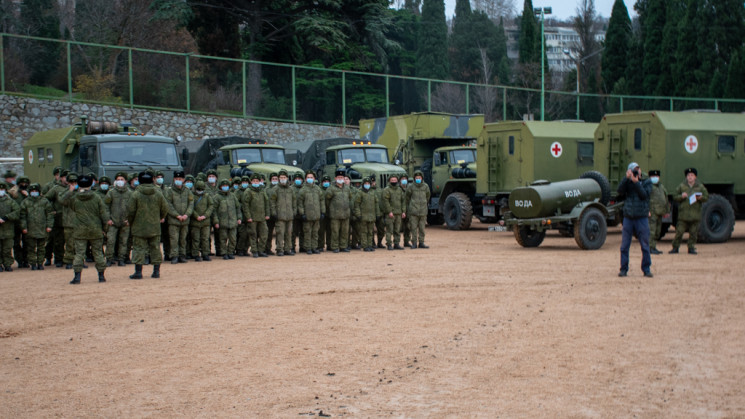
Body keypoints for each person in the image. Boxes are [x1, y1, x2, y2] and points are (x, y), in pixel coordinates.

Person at [66, 175, 110, 284]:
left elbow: (66, 202)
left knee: (79, 253)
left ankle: (77, 277)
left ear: (78, 184)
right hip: (95, 229)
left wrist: (70, 191)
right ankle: (101, 276)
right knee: (98, 253)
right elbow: (104, 215)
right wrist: (105, 229)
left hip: (80, 229)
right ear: (91, 184)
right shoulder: (97, 197)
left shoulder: (75, 197)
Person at [127, 171, 169, 279]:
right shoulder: (158, 193)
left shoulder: (135, 194)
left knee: (138, 249)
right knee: (155, 248)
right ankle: (156, 272)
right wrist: (160, 217)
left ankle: (138, 272)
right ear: (152, 180)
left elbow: (130, 211)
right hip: (154, 226)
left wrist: (131, 222)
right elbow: (165, 208)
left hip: (139, 226)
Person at [617, 162, 653, 278]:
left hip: (641, 217)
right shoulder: (627, 183)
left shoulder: (646, 182)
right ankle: (623, 269)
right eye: (634, 170)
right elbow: (620, 191)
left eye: (638, 169)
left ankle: (646, 269)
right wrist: (626, 179)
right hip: (628, 217)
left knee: (645, 245)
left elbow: (644, 195)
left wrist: (637, 183)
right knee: (624, 246)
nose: (636, 172)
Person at [670, 167, 709, 255]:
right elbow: (675, 196)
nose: (690, 177)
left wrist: (700, 198)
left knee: (693, 233)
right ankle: (675, 247)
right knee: (679, 232)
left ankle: (691, 248)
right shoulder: (681, 186)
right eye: (688, 175)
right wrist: (681, 196)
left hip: (695, 215)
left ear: (695, 177)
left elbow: (706, 197)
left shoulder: (700, 186)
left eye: (692, 175)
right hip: (683, 215)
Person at [20, 183, 54, 270]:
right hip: (30, 228)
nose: (34, 193)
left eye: (36, 191)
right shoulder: (25, 202)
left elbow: (49, 214)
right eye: (32, 191)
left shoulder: (44, 201)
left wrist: (49, 226)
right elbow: (22, 216)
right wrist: (24, 227)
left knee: (41, 248)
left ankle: (40, 263)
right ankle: (33, 264)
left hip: (42, 228)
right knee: (31, 248)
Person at [164, 170, 194, 264]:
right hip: (173, 220)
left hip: (185, 220)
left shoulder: (187, 191)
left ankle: (182, 255)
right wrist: (177, 215)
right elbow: (168, 204)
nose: (178, 180)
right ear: (174, 179)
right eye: (176, 179)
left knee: (183, 239)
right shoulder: (169, 191)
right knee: (174, 239)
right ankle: (174, 256)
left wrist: (186, 214)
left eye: (180, 179)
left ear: (183, 179)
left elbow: (191, 203)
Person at [104, 172, 133, 266]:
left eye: (122, 179)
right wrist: (108, 219)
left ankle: (121, 259)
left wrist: (129, 219)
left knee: (124, 242)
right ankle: (109, 259)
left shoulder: (130, 193)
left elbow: (133, 208)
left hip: (125, 222)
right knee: (110, 241)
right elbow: (106, 206)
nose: (120, 181)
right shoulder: (111, 192)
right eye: (118, 179)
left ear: (125, 181)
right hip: (113, 221)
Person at [269, 170, 296, 256]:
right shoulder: (275, 189)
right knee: (280, 233)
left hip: (289, 215)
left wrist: (294, 211)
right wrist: (274, 213)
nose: (283, 179)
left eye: (284, 177)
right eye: (281, 177)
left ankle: (288, 249)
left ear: (287, 178)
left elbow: (294, 201)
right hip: (280, 215)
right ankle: (279, 249)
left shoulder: (291, 189)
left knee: (289, 233)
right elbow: (272, 202)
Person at [297, 170, 325, 254]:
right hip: (307, 216)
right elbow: (300, 203)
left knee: (315, 233)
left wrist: (323, 212)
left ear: (314, 178)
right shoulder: (303, 190)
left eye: (311, 177)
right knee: (307, 233)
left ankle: (314, 247)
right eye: (308, 177)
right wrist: (302, 213)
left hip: (316, 215)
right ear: (305, 179)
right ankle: (308, 248)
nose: (310, 179)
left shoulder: (317, 189)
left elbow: (322, 201)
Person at [213, 179, 242, 259]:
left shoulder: (232, 196)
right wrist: (216, 221)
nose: (225, 187)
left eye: (226, 186)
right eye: (223, 186)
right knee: (223, 239)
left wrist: (239, 217)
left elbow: (237, 208)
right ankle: (224, 253)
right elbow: (214, 211)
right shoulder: (217, 197)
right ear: (220, 187)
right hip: (222, 222)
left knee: (233, 239)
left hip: (233, 221)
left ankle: (230, 252)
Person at [243, 174, 270, 257]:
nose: (255, 182)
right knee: (253, 234)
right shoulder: (248, 191)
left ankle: (261, 250)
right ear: (251, 182)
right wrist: (248, 216)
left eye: (257, 181)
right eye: (254, 181)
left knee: (264, 234)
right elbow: (245, 205)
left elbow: (266, 203)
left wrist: (267, 214)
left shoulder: (262, 190)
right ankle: (254, 251)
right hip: (253, 217)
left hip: (262, 217)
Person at [325, 169, 351, 253]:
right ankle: (335, 246)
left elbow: (349, 198)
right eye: (339, 177)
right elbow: (327, 200)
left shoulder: (347, 188)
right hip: (335, 214)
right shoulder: (331, 188)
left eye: (342, 177)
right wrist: (332, 209)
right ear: (335, 178)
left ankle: (343, 246)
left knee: (345, 231)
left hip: (345, 214)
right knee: (335, 231)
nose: (340, 178)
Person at [405, 170, 431, 249]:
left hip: (423, 211)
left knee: (422, 228)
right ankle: (414, 243)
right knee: (413, 228)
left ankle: (421, 242)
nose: (418, 179)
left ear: (422, 178)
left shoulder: (425, 186)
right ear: (414, 178)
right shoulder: (411, 186)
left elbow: (428, 196)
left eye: (419, 177)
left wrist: (423, 204)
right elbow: (407, 197)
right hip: (413, 211)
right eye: (416, 178)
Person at [189, 181, 215, 262]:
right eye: (198, 189)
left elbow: (211, 206)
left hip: (205, 221)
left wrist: (205, 215)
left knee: (205, 239)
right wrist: (196, 216)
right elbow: (190, 207)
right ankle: (196, 254)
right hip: (195, 221)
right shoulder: (192, 196)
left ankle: (205, 254)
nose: (200, 190)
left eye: (201, 189)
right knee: (196, 239)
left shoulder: (207, 196)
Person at [353, 177, 379, 252]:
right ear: (363, 184)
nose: (367, 185)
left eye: (368, 184)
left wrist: (377, 214)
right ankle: (365, 246)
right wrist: (358, 214)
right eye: (365, 184)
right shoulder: (360, 193)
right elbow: (356, 204)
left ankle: (370, 245)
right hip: (363, 216)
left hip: (372, 216)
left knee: (371, 232)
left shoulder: (372, 192)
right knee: (364, 232)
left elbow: (376, 204)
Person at [0, 182, 20, 272]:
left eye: (2, 189)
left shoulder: (10, 201)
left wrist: (6, 217)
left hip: (8, 229)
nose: (1, 191)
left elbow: (17, 212)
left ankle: (7, 264)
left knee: (7, 249)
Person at [382, 175, 406, 250]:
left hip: (398, 213)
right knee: (389, 230)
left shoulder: (399, 190)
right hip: (390, 214)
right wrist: (389, 211)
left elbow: (403, 201)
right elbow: (385, 202)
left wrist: (403, 211)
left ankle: (396, 243)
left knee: (397, 230)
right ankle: (389, 244)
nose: (394, 181)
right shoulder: (387, 190)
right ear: (389, 181)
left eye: (395, 180)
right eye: (392, 180)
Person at [647, 170, 668, 255]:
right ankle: (650, 248)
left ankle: (654, 246)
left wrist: (666, 210)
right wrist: (647, 210)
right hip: (652, 212)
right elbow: (645, 199)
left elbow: (665, 199)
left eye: (656, 176)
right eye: (652, 177)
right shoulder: (648, 187)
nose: (655, 178)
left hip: (660, 212)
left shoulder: (661, 187)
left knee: (657, 231)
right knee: (652, 231)